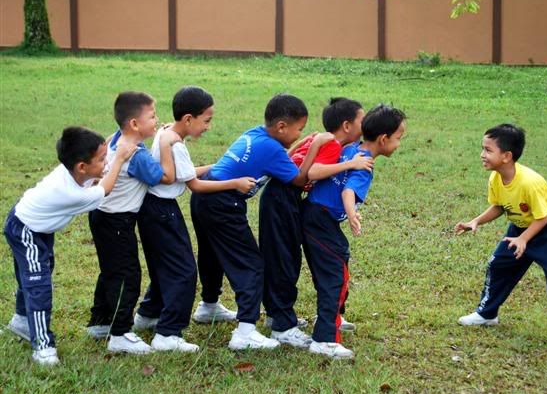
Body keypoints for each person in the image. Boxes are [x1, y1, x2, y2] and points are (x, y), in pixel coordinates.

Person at [191, 93, 332, 350]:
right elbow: (300, 179)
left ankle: (208, 306)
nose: (299, 135)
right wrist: (314, 146)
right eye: (298, 130)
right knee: (252, 265)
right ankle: (245, 331)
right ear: (281, 127)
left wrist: (298, 147)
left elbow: (279, 158)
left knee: (212, 254)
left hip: (204, 196)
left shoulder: (256, 134)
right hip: (224, 203)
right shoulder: (271, 148)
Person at [133, 86, 254, 352]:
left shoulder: (167, 133)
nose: (208, 127)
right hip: (163, 211)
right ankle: (168, 333)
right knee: (183, 270)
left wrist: (216, 166)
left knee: (166, 265)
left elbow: (182, 174)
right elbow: (195, 185)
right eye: (207, 120)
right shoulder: (175, 144)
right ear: (188, 119)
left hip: (152, 210)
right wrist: (235, 182)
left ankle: (148, 315)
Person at [4, 127, 136, 365]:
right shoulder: (68, 191)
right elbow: (105, 189)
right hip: (26, 230)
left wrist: (119, 134)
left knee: (35, 274)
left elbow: (99, 160)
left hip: (37, 226)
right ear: (82, 167)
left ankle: (21, 321)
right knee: (38, 284)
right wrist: (119, 158)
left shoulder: (73, 171)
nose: (105, 162)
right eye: (101, 159)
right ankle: (43, 346)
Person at [455, 123, 547, 351]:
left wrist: (524, 240)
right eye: (483, 148)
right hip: (520, 229)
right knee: (498, 265)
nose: (482, 154)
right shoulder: (496, 178)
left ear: (507, 156)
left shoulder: (530, 182)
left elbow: (543, 217)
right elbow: (499, 206)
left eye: (488, 150)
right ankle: (487, 314)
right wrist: (476, 221)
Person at [260, 97, 372, 347]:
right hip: (282, 197)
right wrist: (351, 163)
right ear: (346, 125)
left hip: (283, 197)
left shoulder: (325, 139)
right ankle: (282, 325)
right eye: (362, 121)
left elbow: (292, 157)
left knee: (285, 258)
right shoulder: (331, 143)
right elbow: (311, 174)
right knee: (284, 260)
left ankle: (278, 315)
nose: (365, 126)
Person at [302, 104, 406, 359]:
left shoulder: (351, 149)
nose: (398, 144)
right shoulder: (365, 164)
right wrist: (351, 214)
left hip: (313, 215)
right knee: (336, 273)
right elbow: (348, 191)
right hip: (320, 219)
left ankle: (332, 316)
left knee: (337, 263)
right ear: (383, 139)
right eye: (398, 139)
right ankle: (324, 339)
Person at [86, 91, 177, 355]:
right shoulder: (137, 155)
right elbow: (167, 177)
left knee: (110, 270)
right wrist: (165, 143)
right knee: (127, 274)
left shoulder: (116, 139)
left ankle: (101, 322)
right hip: (118, 221)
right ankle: (121, 333)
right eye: (152, 116)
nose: (157, 120)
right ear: (135, 124)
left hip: (101, 216)